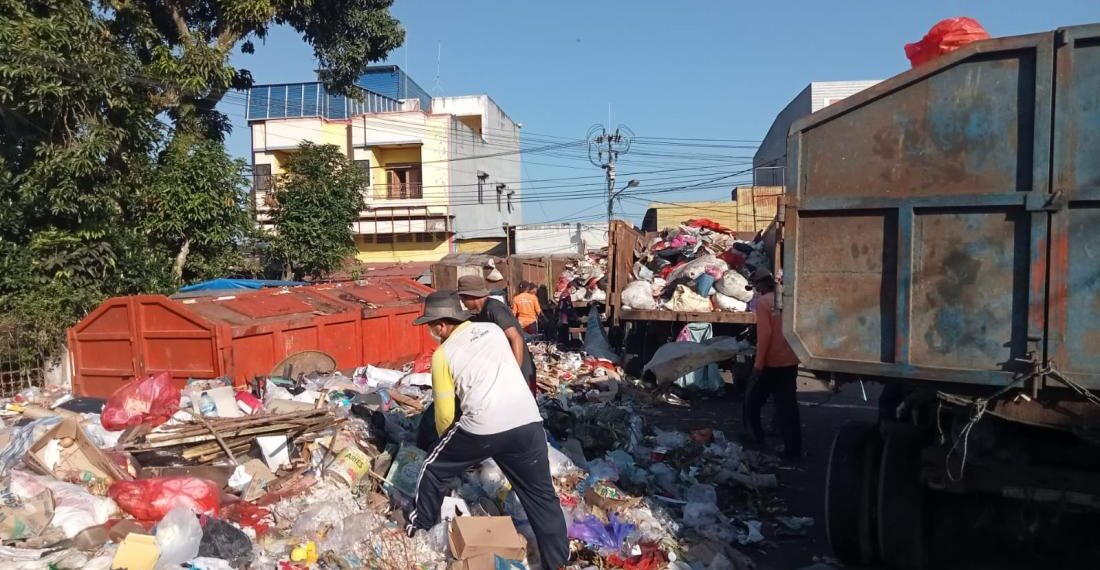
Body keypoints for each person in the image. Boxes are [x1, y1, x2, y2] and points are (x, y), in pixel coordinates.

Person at [407, 291, 569, 570]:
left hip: (483, 425)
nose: (431, 331)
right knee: (542, 498)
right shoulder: (492, 331)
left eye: (430, 325)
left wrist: (454, 450)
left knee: (432, 469)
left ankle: (418, 530)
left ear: (442, 325)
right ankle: (558, 564)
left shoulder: (443, 354)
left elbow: (444, 414)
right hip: (527, 420)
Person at [744, 268, 803, 459]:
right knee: (788, 406)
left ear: (759, 286)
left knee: (753, 400)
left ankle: (757, 437)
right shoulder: (786, 298)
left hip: (772, 361)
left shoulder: (763, 303)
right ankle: (794, 449)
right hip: (791, 359)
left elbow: (766, 335)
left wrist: (758, 365)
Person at [456, 275, 537, 395]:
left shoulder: (494, 308)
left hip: (520, 369)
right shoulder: (482, 312)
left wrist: (514, 372)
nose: (462, 302)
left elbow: (516, 338)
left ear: (471, 296)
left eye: (463, 297)